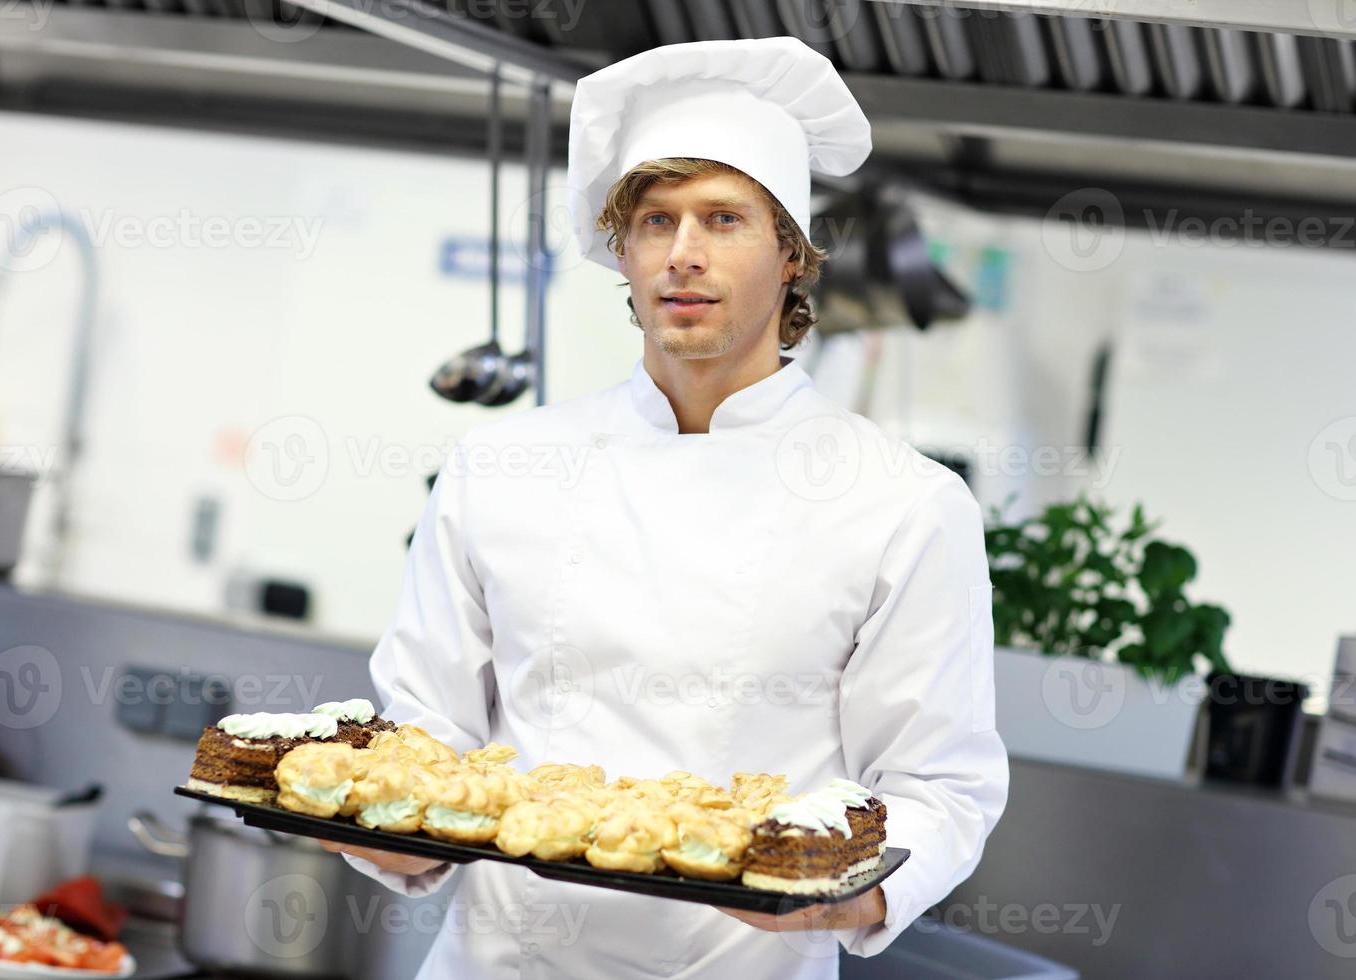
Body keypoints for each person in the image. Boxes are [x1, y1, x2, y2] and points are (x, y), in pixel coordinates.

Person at [321, 35, 1009, 979]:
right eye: (655, 221)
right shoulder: (502, 465)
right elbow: (428, 739)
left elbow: (940, 785)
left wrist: (863, 887)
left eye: (723, 219)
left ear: (791, 255)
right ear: (623, 251)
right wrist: (383, 830)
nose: (683, 254)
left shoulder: (902, 504)